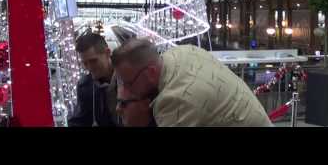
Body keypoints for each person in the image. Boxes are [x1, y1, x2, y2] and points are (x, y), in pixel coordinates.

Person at [112, 38, 273, 127]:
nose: (125, 89)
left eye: (128, 82)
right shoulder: (182, 51)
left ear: (151, 72)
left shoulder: (176, 100)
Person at [68, 32, 120, 127]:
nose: (89, 67)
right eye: (85, 63)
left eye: (93, 61)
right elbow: (78, 121)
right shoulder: (85, 86)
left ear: (107, 53)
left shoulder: (127, 77)